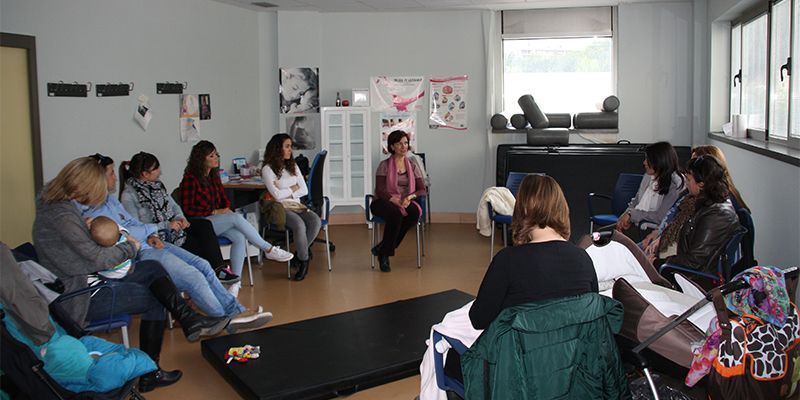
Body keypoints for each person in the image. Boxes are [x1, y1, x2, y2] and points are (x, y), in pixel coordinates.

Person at [32, 156, 231, 392]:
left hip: (84, 278)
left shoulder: (56, 207)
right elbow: (98, 257)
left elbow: (90, 251)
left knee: (153, 269)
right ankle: (152, 370)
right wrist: (130, 247)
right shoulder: (63, 218)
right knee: (155, 298)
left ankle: (187, 320)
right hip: (80, 295)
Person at [83, 153, 272, 333]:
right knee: (193, 276)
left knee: (203, 265)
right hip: (138, 252)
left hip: (153, 240)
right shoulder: (103, 207)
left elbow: (136, 223)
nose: (114, 178)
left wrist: (158, 230)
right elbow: (127, 231)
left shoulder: (110, 201)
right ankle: (228, 318)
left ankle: (235, 309)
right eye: (110, 173)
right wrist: (156, 229)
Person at [469, 174, 599, 329]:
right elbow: (592, 314)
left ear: (521, 209)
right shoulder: (582, 258)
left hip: (520, 351)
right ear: (562, 208)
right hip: (572, 351)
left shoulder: (507, 261)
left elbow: (478, 320)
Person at [179, 141, 293, 297]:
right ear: (201, 159)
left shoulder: (213, 176)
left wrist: (223, 209)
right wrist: (216, 211)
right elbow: (188, 209)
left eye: (216, 154)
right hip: (200, 223)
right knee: (235, 218)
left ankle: (235, 284)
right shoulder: (190, 179)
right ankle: (268, 249)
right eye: (211, 155)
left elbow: (223, 198)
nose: (216, 157)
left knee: (239, 236)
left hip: (216, 220)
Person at [118, 151, 239, 284]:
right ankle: (210, 276)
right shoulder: (129, 195)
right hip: (158, 236)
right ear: (145, 174)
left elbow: (174, 206)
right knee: (201, 247)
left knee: (204, 225)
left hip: (176, 228)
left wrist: (181, 218)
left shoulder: (157, 185)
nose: (160, 171)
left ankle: (219, 269)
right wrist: (166, 225)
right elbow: (137, 226)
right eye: (156, 168)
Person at [664, 155, 740, 273]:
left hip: (692, 277)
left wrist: (658, 262)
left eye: (689, 179)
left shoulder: (716, 215)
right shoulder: (705, 204)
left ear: (702, 184)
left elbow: (694, 262)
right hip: (681, 268)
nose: (687, 183)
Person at [262, 134, 322, 281]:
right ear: (277, 149)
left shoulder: (293, 165)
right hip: (281, 208)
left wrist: (286, 190)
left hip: (297, 205)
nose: (290, 150)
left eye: (290, 147)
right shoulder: (267, 170)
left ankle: (299, 254)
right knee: (299, 225)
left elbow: (305, 190)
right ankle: (303, 261)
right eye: (287, 146)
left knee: (315, 221)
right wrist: (293, 188)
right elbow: (276, 196)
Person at [370, 130, 427, 272]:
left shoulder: (412, 166)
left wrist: (409, 198)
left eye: (406, 143)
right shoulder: (384, 165)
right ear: (392, 147)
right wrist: (394, 200)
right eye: (399, 143)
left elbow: (421, 189)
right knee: (396, 214)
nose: (403, 147)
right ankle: (385, 256)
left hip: (405, 200)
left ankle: (383, 248)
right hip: (383, 201)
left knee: (413, 213)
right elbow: (380, 190)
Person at [616, 141, 685, 237]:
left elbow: (660, 217)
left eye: (648, 159)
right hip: (636, 224)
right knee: (599, 236)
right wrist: (624, 216)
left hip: (651, 230)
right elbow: (636, 201)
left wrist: (632, 215)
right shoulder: (648, 176)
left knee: (605, 240)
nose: (644, 162)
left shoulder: (675, 183)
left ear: (660, 161)